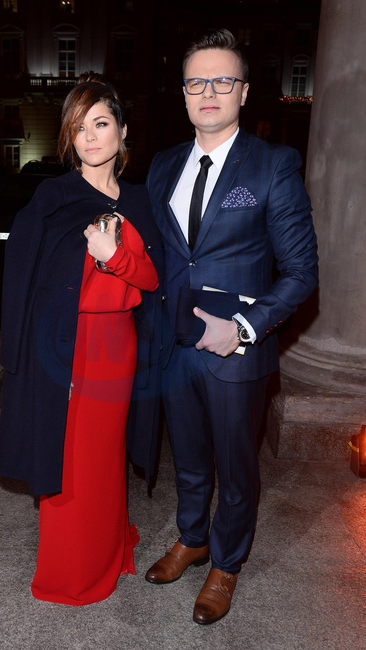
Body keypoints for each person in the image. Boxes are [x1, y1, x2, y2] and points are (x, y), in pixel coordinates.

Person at [144, 30, 318, 625]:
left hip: (237, 353)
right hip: (176, 347)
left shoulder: (273, 165)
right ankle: (192, 538)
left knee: (236, 466)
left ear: (243, 91)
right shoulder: (163, 165)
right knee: (188, 456)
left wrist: (243, 328)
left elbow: (301, 271)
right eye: (197, 81)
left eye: (222, 80)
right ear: (183, 92)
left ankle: (227, 562)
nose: (209, 92)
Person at [0, 73, 163, 606]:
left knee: (105, 458)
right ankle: (69, 570)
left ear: (123, 131)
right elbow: (27, 280)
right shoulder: (54, 196)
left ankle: (109, 549)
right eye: (78, 127)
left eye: (101, 123)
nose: (89, 137)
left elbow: (154, 279)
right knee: (66, 459)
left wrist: (114, 257)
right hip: (67, 347)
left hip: (118, 348)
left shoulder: (141, 200)